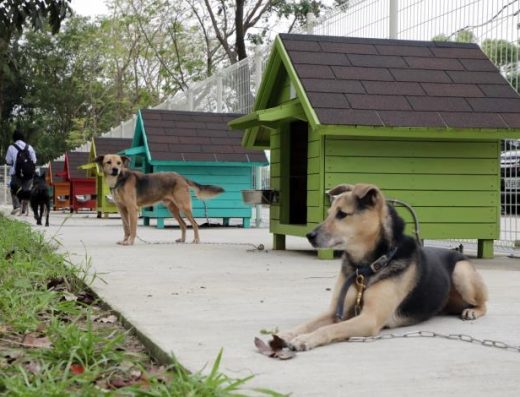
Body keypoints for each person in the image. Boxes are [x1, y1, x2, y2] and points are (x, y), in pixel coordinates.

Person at [5, 129, 37, 215]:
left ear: (14, 138)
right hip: (29, 173)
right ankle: (24, 210)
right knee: (26, 190)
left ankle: (17, 206)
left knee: (14, 189)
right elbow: (34, 160)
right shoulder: (29, 147)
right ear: (23, 137)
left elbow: (8, 161)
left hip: (16, 173)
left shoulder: (11, 147)